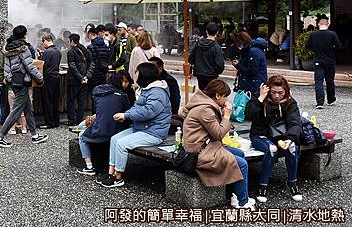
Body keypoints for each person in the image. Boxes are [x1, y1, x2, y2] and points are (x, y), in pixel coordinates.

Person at [182, 78, 254, 209]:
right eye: (225, 96)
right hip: (198, 153)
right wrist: (226, 116)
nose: (226, 100)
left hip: (207, 146)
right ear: (217, 95)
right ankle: (243, 203)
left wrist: (222, 113)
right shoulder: (205, 109)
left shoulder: (204, 103)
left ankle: (235, 195)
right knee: (241, 164)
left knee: (239, 153)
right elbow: (219, 133)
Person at [99, 63, 172, 188]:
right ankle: (111, 172)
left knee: (122, 144)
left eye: (137, 72)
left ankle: (118, 177)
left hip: (154, 132)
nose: (135, 74)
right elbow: (136, 107)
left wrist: (126, 116)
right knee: (114, 139)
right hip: (142, 128)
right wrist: (125, 114)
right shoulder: (147, 89)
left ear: (144, 75)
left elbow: (148, 112)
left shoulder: (157, 92)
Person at [246, 75, 303, 203]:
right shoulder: (259, 97)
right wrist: (260, 98)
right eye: (273, 92)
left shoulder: (290, 102)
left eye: (280, 93)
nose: (277, 96)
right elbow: (248, 115)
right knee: (272, 149)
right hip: (260, 135)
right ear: (268, 90)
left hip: (281, 137)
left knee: (292, 147)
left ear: (286, 91)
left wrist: (291, 138)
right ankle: (263, 186)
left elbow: (295, 122)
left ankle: (293, 184)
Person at [0, 25, 48, 148]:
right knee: (16, 111)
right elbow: (30, 66)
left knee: (28, 109)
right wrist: (40, 78)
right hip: (23, 83)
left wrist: (8, 78)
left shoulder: (8, 48)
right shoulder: (24, 48)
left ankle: (34, 135)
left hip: (14, 82)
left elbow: (6, 66)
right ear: (24, 35)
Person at [77, 73, 131, 176]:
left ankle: (89, 167)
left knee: (81, 136)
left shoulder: (97, 92)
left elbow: (99, 112)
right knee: (82, 126)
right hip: (114, 132)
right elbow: (128, 116)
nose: (126, 84)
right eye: (125, 81)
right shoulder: (123, 96)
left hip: (102, 131)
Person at [305, 17, 341, 109]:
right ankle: (331, 99)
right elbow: (338, 46)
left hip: (318, 61)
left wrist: (315, 48)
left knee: (319, 82)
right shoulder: (332, 34)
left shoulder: (313, 34)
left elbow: (307, 46)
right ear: (327, 24)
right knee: (330, 81)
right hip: (330, 61)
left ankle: (320, 102)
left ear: (318, 24)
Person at [188, 22, 225, 91]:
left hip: (200, 74)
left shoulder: (198, 44)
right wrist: (216, 72)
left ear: (206, 31)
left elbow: (190, 59)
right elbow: (220, 65)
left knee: (202, 93)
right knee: (210, 95)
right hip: (212, 75)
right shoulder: (216, 47)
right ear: (217, 32)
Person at [66, 33, 90, 128]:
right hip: (85, 79)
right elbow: (90, 64)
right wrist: (86, 77)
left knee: (71, 101)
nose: (68, 43)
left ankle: (72, 121)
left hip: (74, 80)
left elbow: (72, 66)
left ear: (72, 41)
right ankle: (80, 120)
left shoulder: (71, 52)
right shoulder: (85, 50)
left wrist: (80, 78)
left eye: (69, 41)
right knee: (82, 101)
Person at [86, 27, 111, 113]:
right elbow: (108, 58)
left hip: (94, 74)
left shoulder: (90, 47)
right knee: (102, 94)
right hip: (103, 73)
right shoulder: (105, 46)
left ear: (90, 35)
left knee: (94, 96)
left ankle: (95, 114)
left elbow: (90, 62)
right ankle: (102, 113)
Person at [39, 33, 62, 129]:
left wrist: (41, 57)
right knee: (55, 100)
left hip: (48, 78)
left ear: (45, 40)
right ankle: (56, 122)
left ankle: (49, 123)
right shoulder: (58, 51)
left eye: (43, 42)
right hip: (56, 77)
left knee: (48, 100)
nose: (43, 44)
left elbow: (43, 65)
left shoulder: (47, 52)